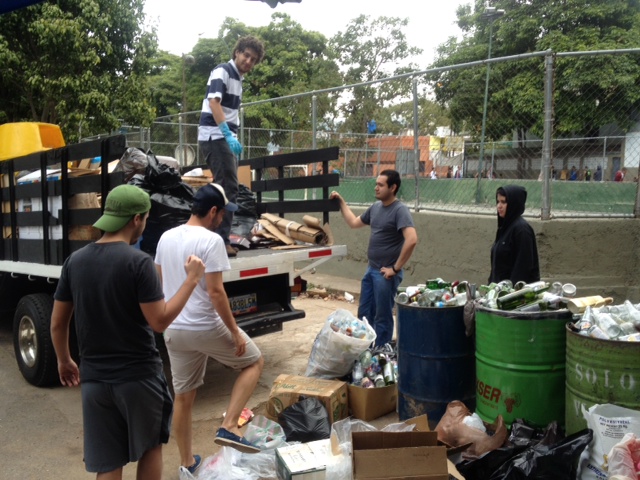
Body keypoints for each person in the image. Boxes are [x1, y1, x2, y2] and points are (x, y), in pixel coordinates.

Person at [50, 184, 206, 480]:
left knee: (108, 462)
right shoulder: (138, 262)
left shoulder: (75, 262)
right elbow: (159, 321)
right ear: (136, 219)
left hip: (95, 381)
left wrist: (64, 360)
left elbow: (58, 323)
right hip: (139, 380)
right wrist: (192, 280)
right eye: (145, 219)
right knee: (150, 449)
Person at [155, 183, 264, 472]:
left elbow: (160, 282)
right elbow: (216, 293)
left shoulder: (165, 237)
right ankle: (229, 424)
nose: (223, 220)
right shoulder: (212, 240)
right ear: (213, 211)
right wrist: (233, 330)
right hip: (204, 326)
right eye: (222, 213)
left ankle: (186, 464)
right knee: (254, 362)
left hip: (174, 330)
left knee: (184, 397)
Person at [330, 170, 418, 347]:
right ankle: (364, 349)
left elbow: (412, 239)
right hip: (371, 270)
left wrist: (395, 269)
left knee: (382, 316)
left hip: (385, 274)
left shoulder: (399, 210)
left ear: (393, 188)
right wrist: (341, 202)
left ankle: (381, 353)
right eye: (376, 184)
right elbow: (354, 223)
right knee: (364, 313)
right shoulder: (375, 208)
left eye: (381, 185)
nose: (376, 187)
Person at [198, 35, 265, 257]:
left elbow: (227, 109)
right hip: (215, 135)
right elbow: (214, 102)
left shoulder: (238, 78)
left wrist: (232, 135)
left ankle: (212, 237)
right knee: (228, 187)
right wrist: (227, 134)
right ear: (237, 52)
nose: (248, 61)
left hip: (223, 136)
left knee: (223, 186)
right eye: (246, 55)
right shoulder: (223, 71)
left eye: (253, 59)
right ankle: (220, 241)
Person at [488, 185, 540, 285]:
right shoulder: (504, 228)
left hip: (515, 296)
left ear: (513, 204)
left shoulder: (522, 230)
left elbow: (523, 269)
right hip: (499, 293)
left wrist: (508, 293)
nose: (499, 206)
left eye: (503, 202)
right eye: (498, 202)